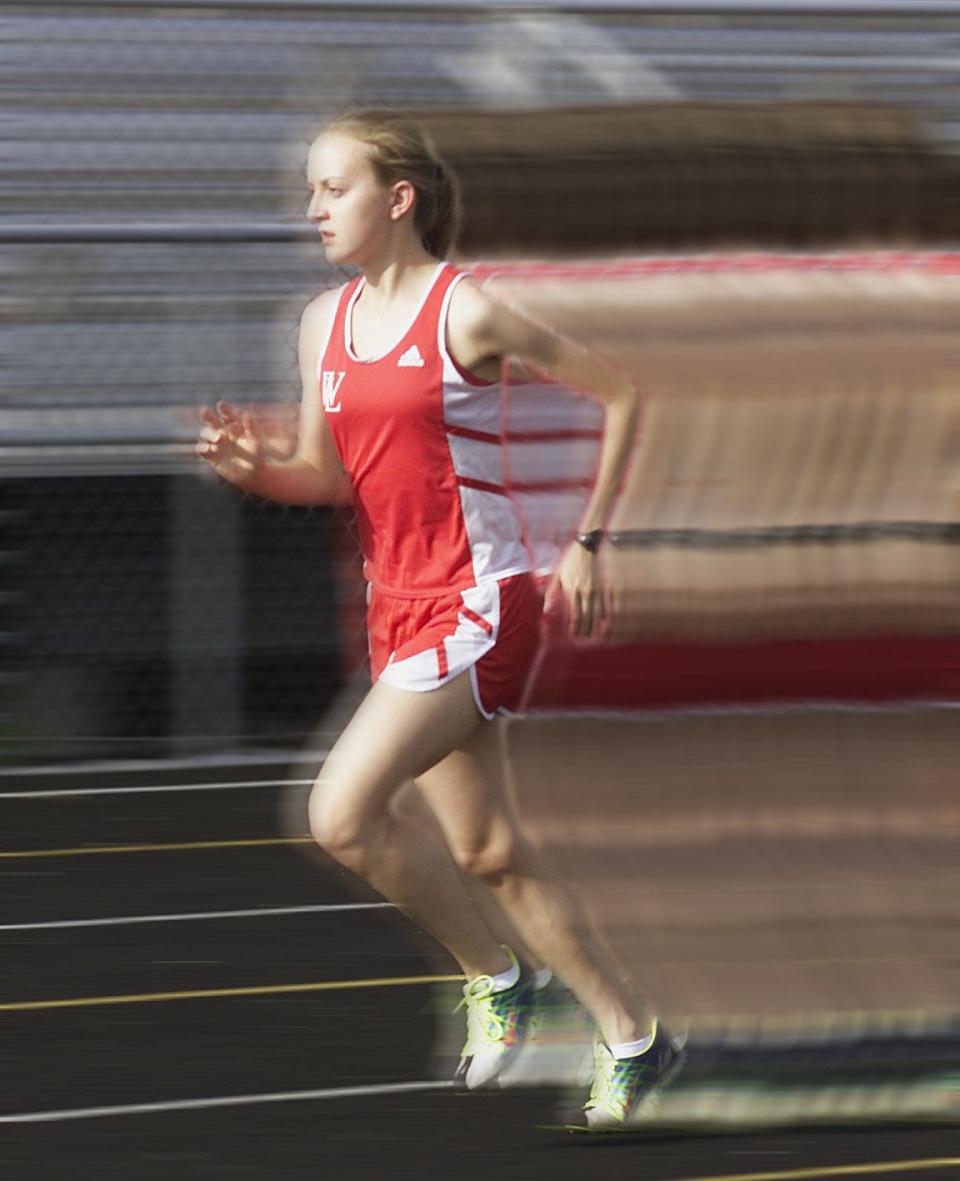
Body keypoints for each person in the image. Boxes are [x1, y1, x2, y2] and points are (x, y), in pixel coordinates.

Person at [196, 109, 682, 1129]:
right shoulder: (321, 323)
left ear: (398, 198)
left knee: (338, 813)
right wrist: (258, 470)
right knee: (491, 852)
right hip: (398, 604)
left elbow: (625, 394)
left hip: (481, 605)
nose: (314, 208)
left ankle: (498, 979)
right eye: (313, 190)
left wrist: (592, 543)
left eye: (335, 188)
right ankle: (636, 1034)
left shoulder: (469, 312)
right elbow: (328, 475)